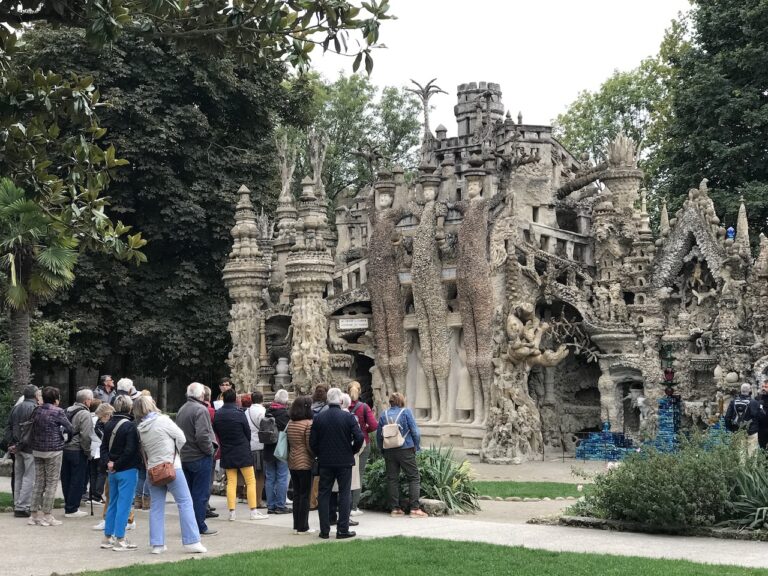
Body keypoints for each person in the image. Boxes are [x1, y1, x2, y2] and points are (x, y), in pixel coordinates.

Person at [133, 395, 207, 554]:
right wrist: (175, 452)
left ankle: (157, 544)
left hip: (153, 469)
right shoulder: (163, 420)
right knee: (185, 502)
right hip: (172, 466)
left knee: (156, 506)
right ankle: (192, 541)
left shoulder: (141, 428)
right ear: (151, 405)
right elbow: (181, 438)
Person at [310, 387, 364, 540]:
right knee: (345, 494)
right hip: (344, 461)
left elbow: (312, 442)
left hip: (325, 461)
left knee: (324, 494)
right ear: (340, 400)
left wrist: (320, 453)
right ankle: (342, 529)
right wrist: (352, 450)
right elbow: (359, 437)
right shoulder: (348, 417)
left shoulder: (319, 418)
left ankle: (324, 530)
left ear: (328, 399)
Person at [213, 388, 267, 522]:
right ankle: (253, 511)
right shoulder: (239, 413)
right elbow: (247, 432)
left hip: (227, 450)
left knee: (231, 482)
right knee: (250, 481)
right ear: (235, 399)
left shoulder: (218, 414)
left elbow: (217, 431)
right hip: (242, 450)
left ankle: (232, 512)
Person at [176, 382, 218, 536]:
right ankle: (200, 526)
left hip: (185, 456)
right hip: (199, 457)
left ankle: (189, 526)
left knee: (188, 495)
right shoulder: (201, 409)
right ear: (201, 395)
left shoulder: (182, 409)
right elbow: (202, 435)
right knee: (200, 494)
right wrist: (210, 451)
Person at [377, 392, 427, 518]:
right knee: (413, 477)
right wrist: (416, 446)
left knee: (392, 479)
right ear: (401, 401)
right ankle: (415, 509)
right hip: (405, 448)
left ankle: (395, 509)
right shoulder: (406, 412)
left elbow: (379, 435)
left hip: (389, 450)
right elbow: (415, 432)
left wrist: (382, 449)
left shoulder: (384, 414)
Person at [101, 394, 141, 551]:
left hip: (112, 470)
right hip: (127, 469)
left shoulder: (108, 424)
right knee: (124, 505)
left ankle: (107, 537)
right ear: (129, 407)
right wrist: (117, 464)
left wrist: (109, 463)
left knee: (112, 503)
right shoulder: (130, 426)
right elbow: (130, 450)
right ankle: (120, 538)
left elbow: (104, 447)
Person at [29, 386, 72, 527]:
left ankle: (33, 515)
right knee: (52, 483)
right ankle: (47, 515)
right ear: (56, 399)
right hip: (54, 450)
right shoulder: (58, 411)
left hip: (37, 449)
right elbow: (69, 427)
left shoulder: (36, 410)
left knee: (39, 482)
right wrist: (66, 439)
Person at [6, 385, 40, 517]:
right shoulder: (34, 408)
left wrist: (12, 444)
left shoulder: (16, 407)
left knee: (19, 476)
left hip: (17, 447)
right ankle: (23, 506)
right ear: (35, 395)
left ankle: (18, 504)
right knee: (28, 477)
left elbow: (9, 427)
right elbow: (31, 431)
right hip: (28, 447)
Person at [61, 388, 94, 518]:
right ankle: (72, 509)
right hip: (77, 450)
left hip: (65, 448)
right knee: (77, 479)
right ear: (86, 401)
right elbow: (86, 436)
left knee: (66, 478)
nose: (91, 402)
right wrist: (88, 451)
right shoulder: (85, 414)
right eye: (90, 399)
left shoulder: (67, 410)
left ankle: (68, 504)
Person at [347, 381, 377, 516]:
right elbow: (374, 425)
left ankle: (343, 504)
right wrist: (364, 430)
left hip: (346, 443)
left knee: (345, 474)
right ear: (359, 391)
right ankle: (354, 506)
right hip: (363, 442)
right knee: (358, 474)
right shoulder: (364, 407)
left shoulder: (343, 406)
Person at [287, 395, 314, 534]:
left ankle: (296, 525)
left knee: (297, 494)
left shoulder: (291, 423)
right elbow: (309, 445)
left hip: (292, 461)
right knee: (305, 495)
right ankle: (303, 526)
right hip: (305, 462)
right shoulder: (308, 424)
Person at [264, 389, 291, 514]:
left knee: (270, 477)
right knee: (282, 477)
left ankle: (270, 505)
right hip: (281, 449)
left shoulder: (267, 412)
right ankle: (280, 505)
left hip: (268, 448)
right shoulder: (285, 415)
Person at [91, 402, 115, 530]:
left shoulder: (111, 426)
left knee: (111, 492)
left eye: (101, 418)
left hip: (112, 461)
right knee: (110, 492)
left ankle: (108, 519)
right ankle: (110, 518)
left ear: (107, 415)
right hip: (107, 460)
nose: (100, 420)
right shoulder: (102, 425)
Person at [725, 383, 761, 454]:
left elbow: (727, 418)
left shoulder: (733, 402)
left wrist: (732, 429)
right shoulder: (754, 402)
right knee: (752, 454)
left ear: (740, 390)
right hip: (752, 432)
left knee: (740, 454)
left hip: (738, 431)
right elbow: (759, 417)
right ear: (750, 390)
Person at [245, 390, 267, 509]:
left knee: (251, 476)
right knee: (260, 476)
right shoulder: (262, 411)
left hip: (250, 445)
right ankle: (258, 500)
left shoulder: (246, 412)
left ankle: (251, 499)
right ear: (262, 399)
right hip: (260, 445)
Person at [309, 385, 328, 510]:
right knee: (320, 474)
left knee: (313, 473)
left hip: (312, 441)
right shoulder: (326, 408)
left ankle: (311, 500)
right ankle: (316, 500)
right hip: (323, 443)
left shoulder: (310, 407)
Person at [202, 385, 219, 520]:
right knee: (208, 479)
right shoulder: (210, 410)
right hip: (208, 448)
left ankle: (204, 504)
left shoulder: (187, 408)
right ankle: (205, 506)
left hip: (193, 451)